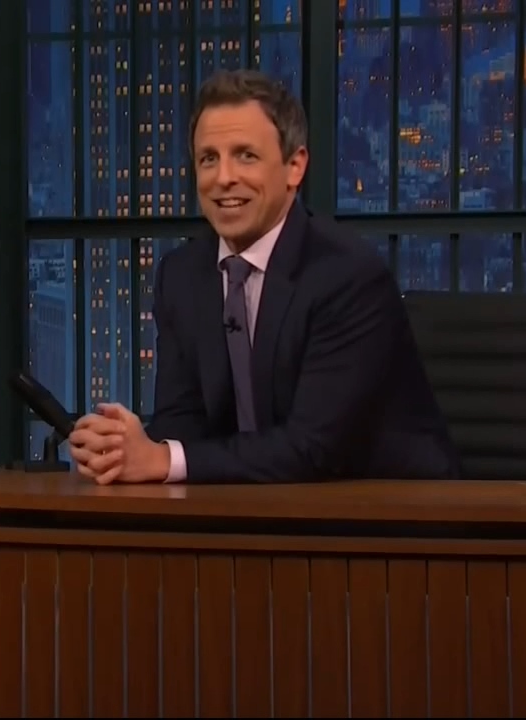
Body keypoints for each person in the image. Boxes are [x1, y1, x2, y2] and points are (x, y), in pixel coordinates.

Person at [69, 70, 460, 485]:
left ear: (295, 166)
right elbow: (181, 425)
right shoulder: (181, 275)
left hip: (385, 508)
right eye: (208, 159)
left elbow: (314, 448)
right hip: (254, 503)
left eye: (246, 156)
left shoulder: (347, 276)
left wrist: (164, 460)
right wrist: (124, 452)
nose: (223, 178)